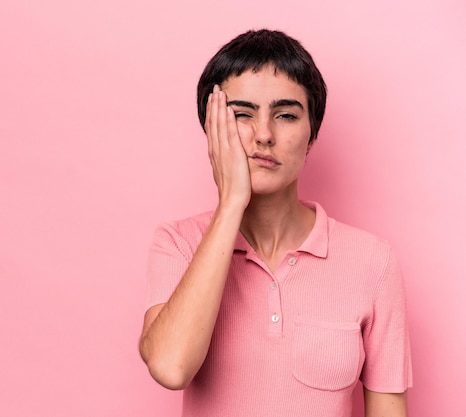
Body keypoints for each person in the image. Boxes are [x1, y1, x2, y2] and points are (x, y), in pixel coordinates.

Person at [139, 29, 412, 417]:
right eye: (241, 115)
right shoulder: (178, 243)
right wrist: (232, 201)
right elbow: (170, 366)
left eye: (285, 115)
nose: (263, 135)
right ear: (211, 129)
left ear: (311, 134)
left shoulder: (373, 261)